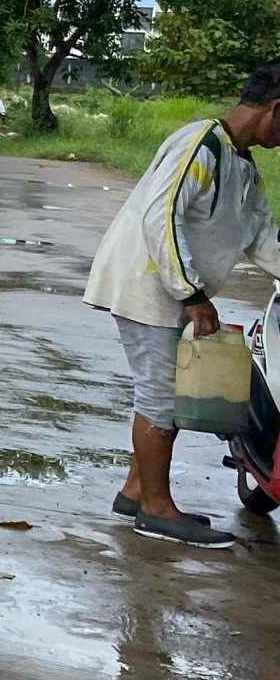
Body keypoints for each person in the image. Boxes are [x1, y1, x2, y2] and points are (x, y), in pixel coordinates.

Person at [85, 63, 280, 548]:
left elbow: (262, 237)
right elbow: (160, 217)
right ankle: (155, 509)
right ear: (276, 108)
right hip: (148, 285)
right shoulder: (201, 145)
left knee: (163, 394)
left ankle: (136, 491)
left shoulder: (241, 166)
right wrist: (192, 293)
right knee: (160, 400)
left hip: (170, 289)